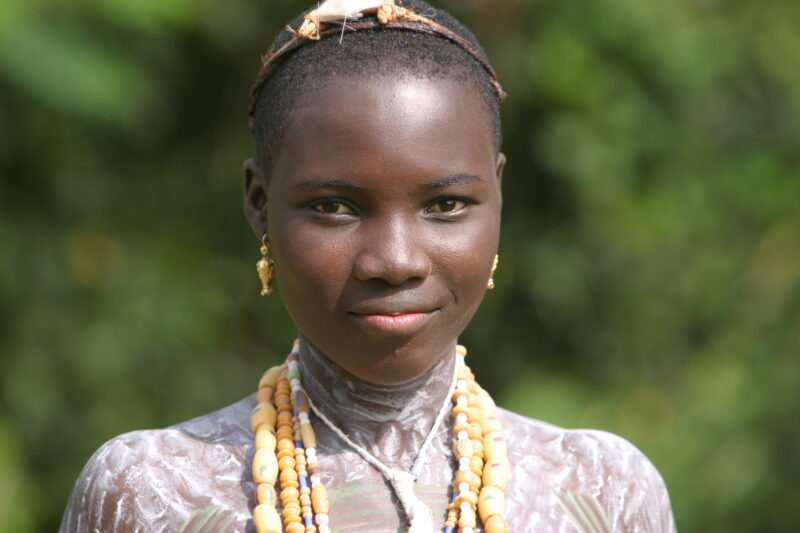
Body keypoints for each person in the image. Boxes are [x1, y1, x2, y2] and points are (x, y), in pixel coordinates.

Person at [59, 1, 677, 532]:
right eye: (334, 207)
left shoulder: (603, 489)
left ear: (498, 197)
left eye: (447, 205)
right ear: (260, 205)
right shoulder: (151, 492)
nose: (396, 262)